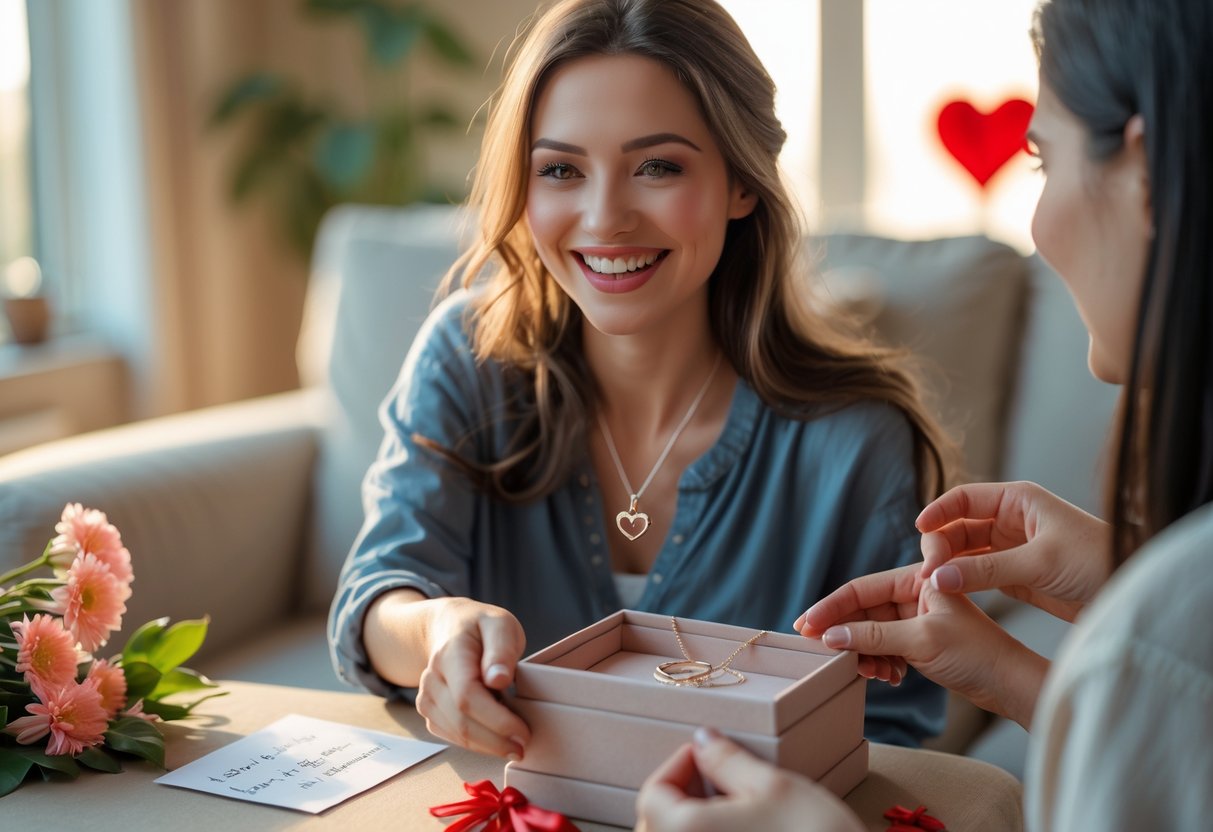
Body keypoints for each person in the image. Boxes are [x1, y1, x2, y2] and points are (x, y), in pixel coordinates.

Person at [328, 0, 954, 763]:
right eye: (559, 169)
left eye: (657, 166)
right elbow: (379, 592)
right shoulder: (467, 359)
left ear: (741, 183)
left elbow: (896, 735)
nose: (604, 217)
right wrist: (436, 632)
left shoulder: (853, 441)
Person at [637, 0, 1213, 828]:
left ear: (1146, 173)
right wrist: (1110, 598)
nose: (1036, 227)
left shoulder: (1159, 634)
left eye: (1041, 162)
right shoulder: (1163, 621)